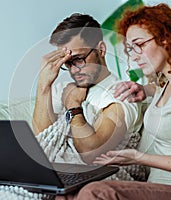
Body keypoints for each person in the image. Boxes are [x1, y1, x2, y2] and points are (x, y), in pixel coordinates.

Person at [58, 3, 171, 200]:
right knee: (64, 194)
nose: (135, 56)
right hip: (160, 187)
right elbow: (166, 92)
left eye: (140, 45)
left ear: (167, 39)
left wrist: (139, 158)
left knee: (96, 192)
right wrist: (145, 89)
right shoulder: (165, 86)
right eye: (130, 49)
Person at [32, 13, 143, 164]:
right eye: (68, 63)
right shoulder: (62, 89)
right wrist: (43, 85)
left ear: (101, 50)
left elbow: (90, 154)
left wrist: (73, 106)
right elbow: (42, 142)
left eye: (78, 59)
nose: (73, 70)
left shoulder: (121, 95)